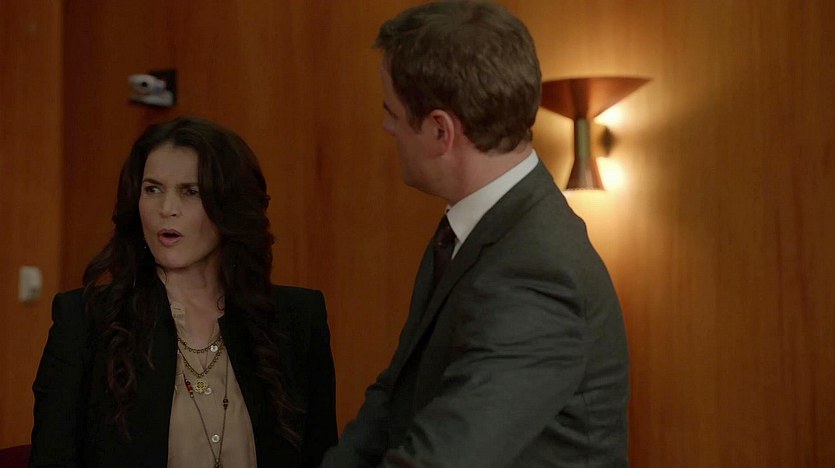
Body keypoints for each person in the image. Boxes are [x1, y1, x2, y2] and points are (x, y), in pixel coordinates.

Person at [322, 1, 629, 467]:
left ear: (440, 131)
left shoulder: (538, 272)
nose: (386, 126)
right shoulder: (476, 228)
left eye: (392, 113)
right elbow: (394, 398)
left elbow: (445, 458)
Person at [30, 116, 337, 467]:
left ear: (229, 205)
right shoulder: (86, 322)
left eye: (191, 192)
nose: (167, 209)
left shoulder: (296, 319)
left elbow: (322, 457)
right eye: (153, 189)